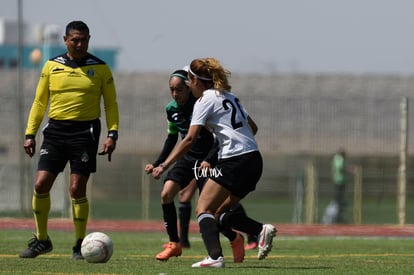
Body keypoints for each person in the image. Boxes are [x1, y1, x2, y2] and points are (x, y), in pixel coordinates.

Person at [152, 58, 276, 268]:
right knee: (220, 214)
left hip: (234, 161)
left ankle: (215, 257)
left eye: (189, 80)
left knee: (203, 209)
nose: (188, 85)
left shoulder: (204, 101)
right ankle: (258, 230)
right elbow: (253, 128)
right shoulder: (229, 96)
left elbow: (189, 139)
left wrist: (164, 165)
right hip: (254, 159)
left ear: (195, 80)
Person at [19, 20, 119, 260]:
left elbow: (111, 104)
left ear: (89, 39)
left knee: (76, 189)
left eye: (84, 39)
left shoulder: (101, 68)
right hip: (55, 132)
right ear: (65, 40)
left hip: (85, 133)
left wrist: (112, 133)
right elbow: (40, 102)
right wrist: (30, 133)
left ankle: (78, 244)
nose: (80, 43)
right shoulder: (51, 66)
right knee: (41, 185)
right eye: (75, 39)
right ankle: (42, 240)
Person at [145, 69, 218, 261]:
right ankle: (175, 244)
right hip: (187, 158)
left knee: (213, 208)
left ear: (189, 88)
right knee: (166, 194)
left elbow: (217, 137)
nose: (175, 94)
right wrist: (157, 163)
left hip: (208, 160)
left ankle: (237, 237)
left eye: (179, 89)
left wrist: (209, 159)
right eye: (172, 90)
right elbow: (172, 138)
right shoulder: (171, 109)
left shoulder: (201, 105)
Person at [331, 148, 353, 223]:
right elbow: (340, 168)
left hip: (339, 180)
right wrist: (350, 170)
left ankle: (339, 216)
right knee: (338, 200)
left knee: (340, 199)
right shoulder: (339, 159)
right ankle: (337, 217)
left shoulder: (336, 158)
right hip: (339, 181)